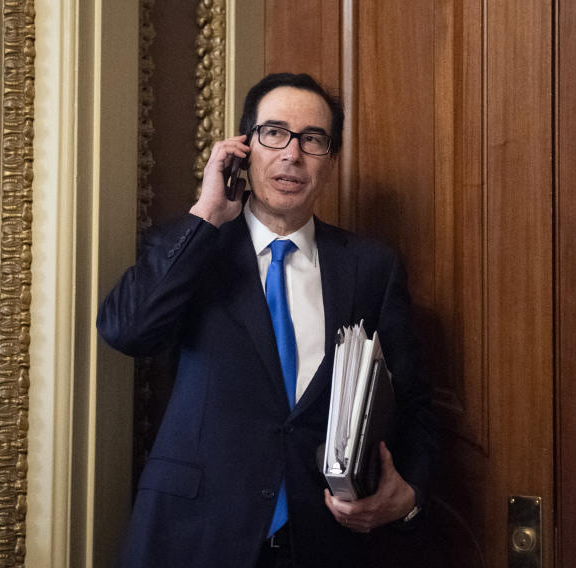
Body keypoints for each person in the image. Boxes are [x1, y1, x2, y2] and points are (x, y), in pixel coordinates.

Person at [97, 72, 436, 567]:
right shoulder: (195, 246)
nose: (291, 154)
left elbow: (413, 401)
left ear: (330, 159)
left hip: (323, 542)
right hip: (194, 538)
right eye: (274, 133)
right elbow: (126, 330)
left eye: (313, 140)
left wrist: (409, 495)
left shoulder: (369, 267)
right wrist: (207, 214)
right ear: (243, 147)